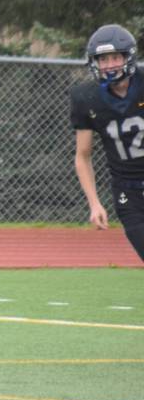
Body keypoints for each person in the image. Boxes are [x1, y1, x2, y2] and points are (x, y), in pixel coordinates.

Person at [71, 24, 144, 262]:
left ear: (128, 57)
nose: (110, 65)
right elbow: (83, 155)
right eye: (103, 59)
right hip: (128, 192)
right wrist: (94, 203)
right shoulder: (86, 97)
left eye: (115, 57)